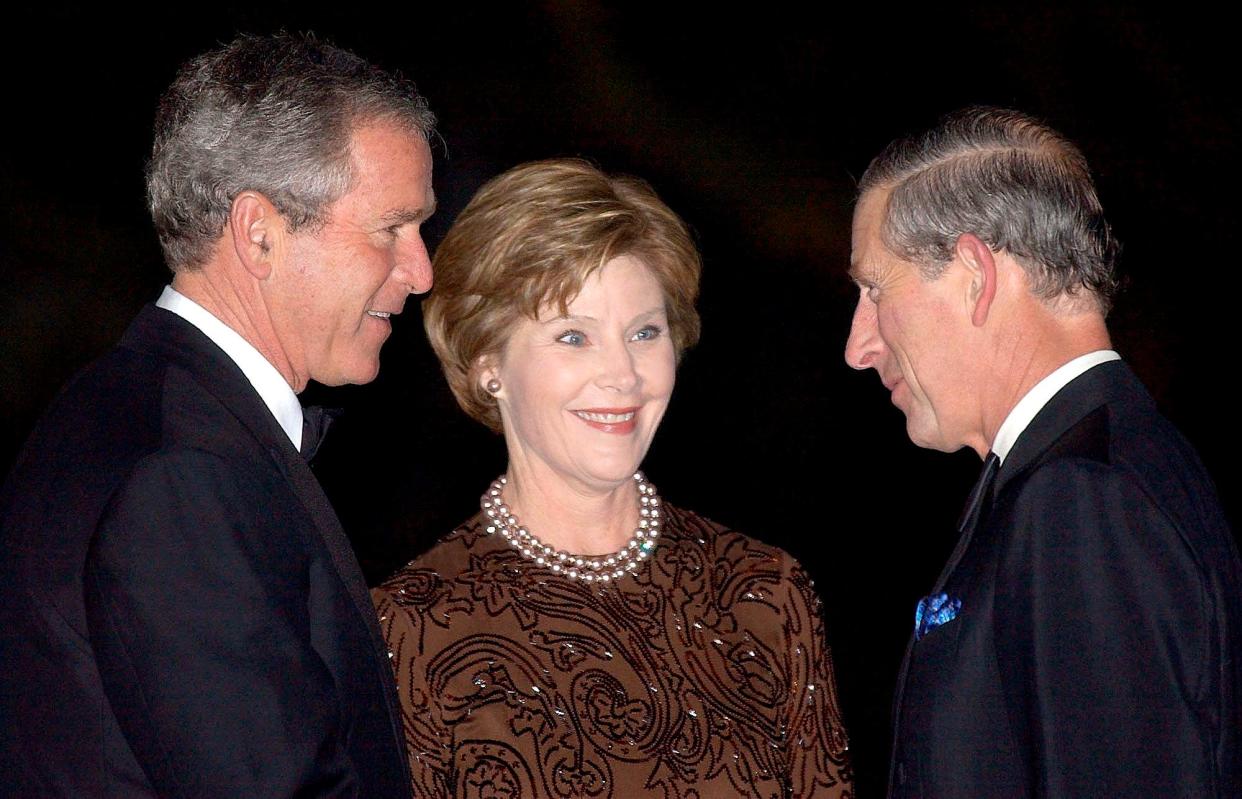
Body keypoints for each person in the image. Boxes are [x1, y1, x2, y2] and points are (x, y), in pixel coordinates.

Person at [0, 33, 436, 796]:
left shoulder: (140, 409)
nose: (421, 270)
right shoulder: (182, 475)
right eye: (390, 228)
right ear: (259, 232)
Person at [373, 159, 852, 798]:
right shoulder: (411, 626)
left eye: (644, 333)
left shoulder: (764, 592)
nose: (623, 375)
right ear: (489, 362)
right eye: (575, 337)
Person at [845, 106, 1242, 797]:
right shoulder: (1096, 470)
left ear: (974, 273)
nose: (859, 347)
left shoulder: (1083, 498)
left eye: (875, 290)